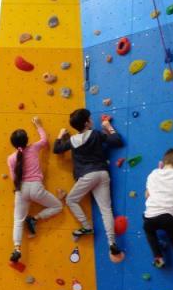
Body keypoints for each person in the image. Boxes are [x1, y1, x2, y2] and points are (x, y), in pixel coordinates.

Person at [53, 109, 124, 258]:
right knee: (106, 209)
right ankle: (111, 243)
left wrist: (60, 135)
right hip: (102, 173)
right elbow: (117, 141)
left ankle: (86, 227)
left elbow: (56, 149)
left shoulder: (72, 140)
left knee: (71, 200)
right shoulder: (97, 134)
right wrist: (107, 126)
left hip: (87, 175)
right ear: (87, 123)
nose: (92, 120)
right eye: (90, 118)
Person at [7, 117, 63, 262]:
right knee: (58, 206)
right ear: (27, 140)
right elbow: (44, 140)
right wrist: (39, 125)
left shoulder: (11, 158)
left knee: (18, 220)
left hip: (22, 190)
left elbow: (14, 178)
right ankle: (35, 218)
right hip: (37, 188)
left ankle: (17, 248)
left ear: (13, 145)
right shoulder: (33, 148)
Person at [143, 148, 173, 269]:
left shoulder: (153, 174)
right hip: (171, 219)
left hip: (150, 217)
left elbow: (147, 195)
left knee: (149, 231)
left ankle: (158, 256)